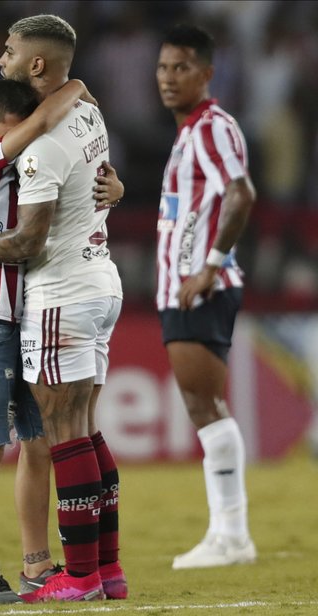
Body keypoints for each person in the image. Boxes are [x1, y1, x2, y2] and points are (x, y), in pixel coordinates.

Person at [0, 14, 127, 602]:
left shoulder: (40, 142)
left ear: (38, 66)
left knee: (50, 440)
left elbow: (29, 239)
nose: (1, 57)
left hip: (45, 301)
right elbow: (56, 115)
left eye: (9, 50)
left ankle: (53, 567)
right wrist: (73, 90)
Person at [155, 24, 257, 570]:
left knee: (206, 407)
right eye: (164, 67)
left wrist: (211, 265)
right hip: (185, 286)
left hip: (200, 286)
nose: (169, 78)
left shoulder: (214, 127)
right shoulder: (191, 131)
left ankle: (232, 533)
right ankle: (228, 532)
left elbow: (242, 193)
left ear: (206, 73)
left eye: (181, 67)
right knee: (204, 407)